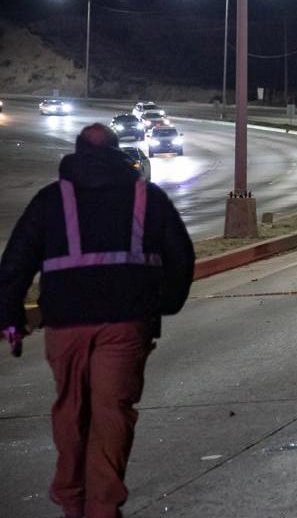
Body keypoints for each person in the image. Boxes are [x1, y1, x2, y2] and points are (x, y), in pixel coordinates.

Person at [0, 123, 194, 518]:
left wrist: (11, 318)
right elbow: (182, 257)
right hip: (125, 323)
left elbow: (15, 263)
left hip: (66, 324)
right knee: (111, 411)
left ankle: (73, 499)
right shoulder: (147, 197)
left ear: (76, 154)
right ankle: (103, 506)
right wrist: (164, 304)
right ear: (117, 152)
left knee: (71, 410)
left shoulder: (50, 200)